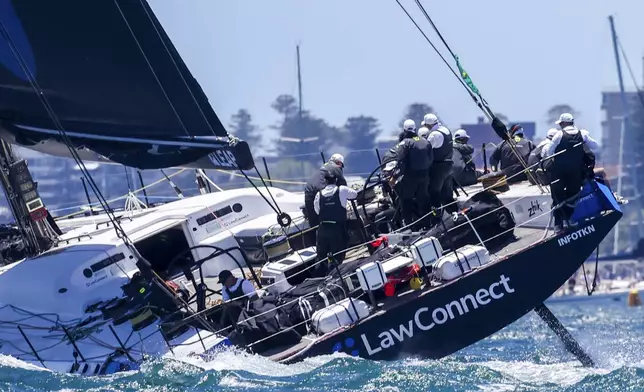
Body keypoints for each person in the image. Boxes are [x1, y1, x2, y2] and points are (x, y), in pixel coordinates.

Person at [544, 113, 596, 233]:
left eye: (561, 123)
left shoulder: (559, 134)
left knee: (557, 197)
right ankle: (568, 220)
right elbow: (595, 146)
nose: (561, 126)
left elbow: (548, 152)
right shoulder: (583, 134)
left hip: (559, 172)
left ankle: (558, 225)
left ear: (564, 123)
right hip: (575, 172)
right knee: (573, 195)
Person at [391, 119, 433, 229]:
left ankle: (409, 226)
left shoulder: (405, 143)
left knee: (406, 200)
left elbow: (400, 162)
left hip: (410, 177)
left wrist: (394, 177)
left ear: (404, 130)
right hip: (425, 176)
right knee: (423, 200)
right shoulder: (425, 141)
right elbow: (431, 159)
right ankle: (428, 225)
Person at [313, 172, 357, 276]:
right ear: (336, 180)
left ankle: (320, 279)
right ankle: (335, 277)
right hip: (337, 229)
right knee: (337, 256)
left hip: (322, 229)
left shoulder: (319, 194)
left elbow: (317, 211)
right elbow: (355, 194)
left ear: (325, 181)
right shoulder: (342, 189)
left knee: (321, 257)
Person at [303, 154, 346, 242]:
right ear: (339, 163)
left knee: (314, 222)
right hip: (320, 192)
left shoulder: (324, 166)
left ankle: (316, 246)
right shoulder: (336, 168)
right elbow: (343, 186)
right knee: (328, 219)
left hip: (308, 191)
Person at [423, 113, 457, 218]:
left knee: (433, 192)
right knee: (447, 195)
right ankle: (456, 214)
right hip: (449, 166)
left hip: (439, 168)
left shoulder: (434, 135)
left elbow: (426, 150)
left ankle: (436, 219)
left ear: (429, 125)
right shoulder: (446, 130)